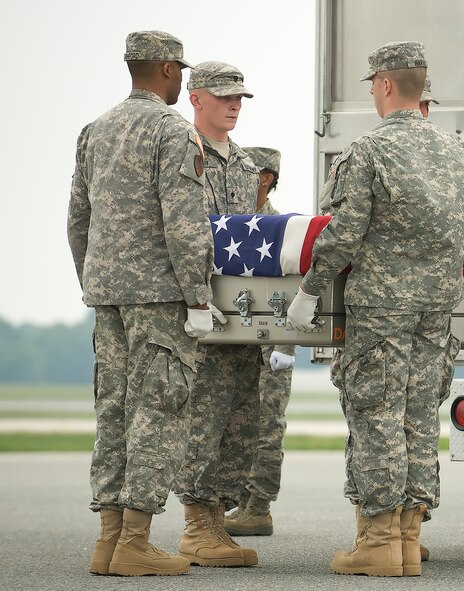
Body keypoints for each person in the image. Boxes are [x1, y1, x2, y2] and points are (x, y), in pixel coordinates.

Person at [287, 41, 464, 578]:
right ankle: (409, 539)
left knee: (377, 418)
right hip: (436, 310)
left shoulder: (370, 151)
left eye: (372, 83)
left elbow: (344, 232)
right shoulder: (458, 157)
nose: (371, 92)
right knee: (419, 418)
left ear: (387, 85)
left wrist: (310, 290)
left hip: (383, 311)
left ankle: (377, 540)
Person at [68, 30, 214, 577]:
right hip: (159, 296)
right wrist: (199, 297)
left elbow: (77, 219)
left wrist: (94, 277)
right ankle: (136, 540)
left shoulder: (96, 130)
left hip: (108, 294)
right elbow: (184, 225)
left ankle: (108, 541)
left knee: (113, 413)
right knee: (158, 410)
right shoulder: (170, 131)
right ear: (169, 70)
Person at [174, 61, 263, 568]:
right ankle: (196, 522)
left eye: (240, 98)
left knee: (242, 418)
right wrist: (192, 301)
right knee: (203, 416)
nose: (233, 105)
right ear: (195, 98)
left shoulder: (248, 166)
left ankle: (220, 514)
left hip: (242, 314)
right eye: (223, 96)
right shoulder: (182, 154)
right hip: (199, 308)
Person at [223, 146, 296, 537]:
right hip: (241, 342)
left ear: (264, 179)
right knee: (239, 422)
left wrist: (285, 347)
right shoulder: (237, 225)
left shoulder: (275, 229)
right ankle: (237, 500)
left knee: (266, 425)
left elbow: (290, 292)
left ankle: (258, 506)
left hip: (272, 346)